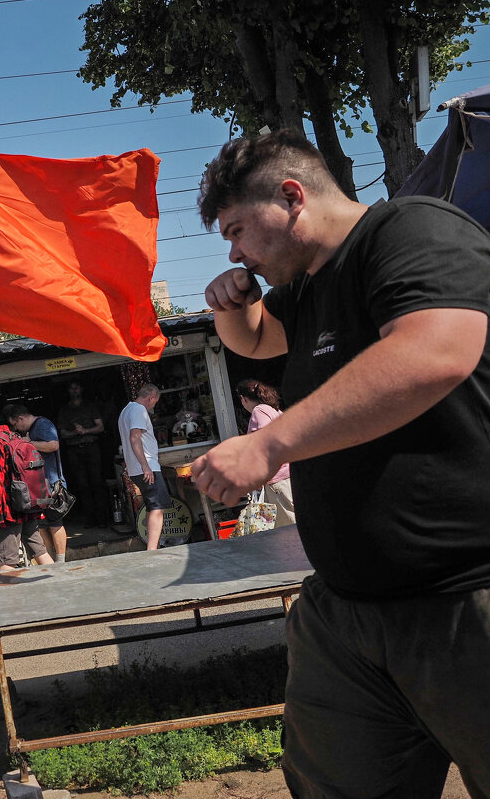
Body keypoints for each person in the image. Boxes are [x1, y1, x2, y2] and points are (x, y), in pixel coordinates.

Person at [191, 129, 490, 797]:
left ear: (292, 196)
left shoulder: (412, 231)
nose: (236, 250)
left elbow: (435, 352)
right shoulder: (308, 286)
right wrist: (231, 305)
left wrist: (267, 444)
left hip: (466, 601)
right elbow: (260, 339)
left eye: (238, 229)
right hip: (346, 614)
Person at [0, 411, 54, 572]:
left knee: (6, 560)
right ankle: (59, 581)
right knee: (40, 551)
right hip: (27, 502)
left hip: (9, 510)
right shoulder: (13, 436)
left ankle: (6, 594)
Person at [3, 403, 69, 562]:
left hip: (52, 484)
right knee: (43, 525)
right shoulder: (34, 428)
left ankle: (60, 561)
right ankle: (51, 560)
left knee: (55, 522)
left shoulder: (43, 424)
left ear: (20, 418)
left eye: (16, 425)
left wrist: (28, 443)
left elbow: (54, 445)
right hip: (40, 485)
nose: (17, 429)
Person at [234, 378, 296, 527]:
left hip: (277, 481)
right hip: (287, 475)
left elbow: (265, 442)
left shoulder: (259, 410)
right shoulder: (274, 409)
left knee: (289, 529)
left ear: (243, 398)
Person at [118, 384, 170, 550]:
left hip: (137, 468)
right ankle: (153, 549)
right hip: (146, 466)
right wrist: (145, 465)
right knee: (157, 507)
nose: (154, 405)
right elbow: (135, 437)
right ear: (151, 398)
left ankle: (153, 545)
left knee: (151, 505)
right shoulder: (138, 410)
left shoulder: (126, 410)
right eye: (155, 402)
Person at [56, 381, 111, 527]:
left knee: (97, 482)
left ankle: (103, 518)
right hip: (74, 450)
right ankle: (90, 518)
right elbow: (62, 433)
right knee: (82, 485)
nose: (74, 390)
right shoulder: (64, 410)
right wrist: (75, 432)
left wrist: (85, 431)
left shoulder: (90, 406)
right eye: (71, 388)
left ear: (81, 388)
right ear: (68, 391)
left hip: (92, 447)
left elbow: (100, 427)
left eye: (76, 387)